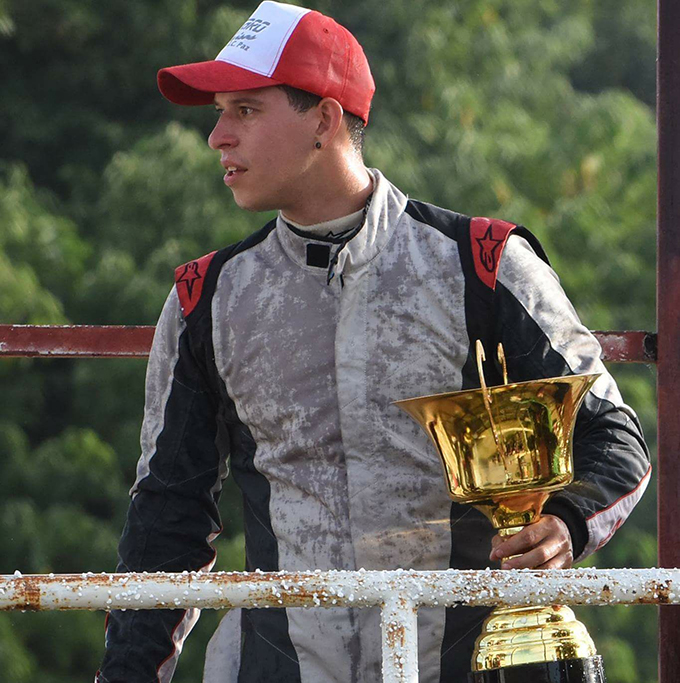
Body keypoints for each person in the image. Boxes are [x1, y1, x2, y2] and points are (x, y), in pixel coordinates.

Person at [96, 2, 650, 682]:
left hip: (467, 662)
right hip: (273, 665)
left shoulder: (484, 262)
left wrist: (565, 522)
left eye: (244, 110)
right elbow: (166, 517)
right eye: (219, 111)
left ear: (324, 120)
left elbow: (615, 438)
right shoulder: (204, 298)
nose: (216, 136)